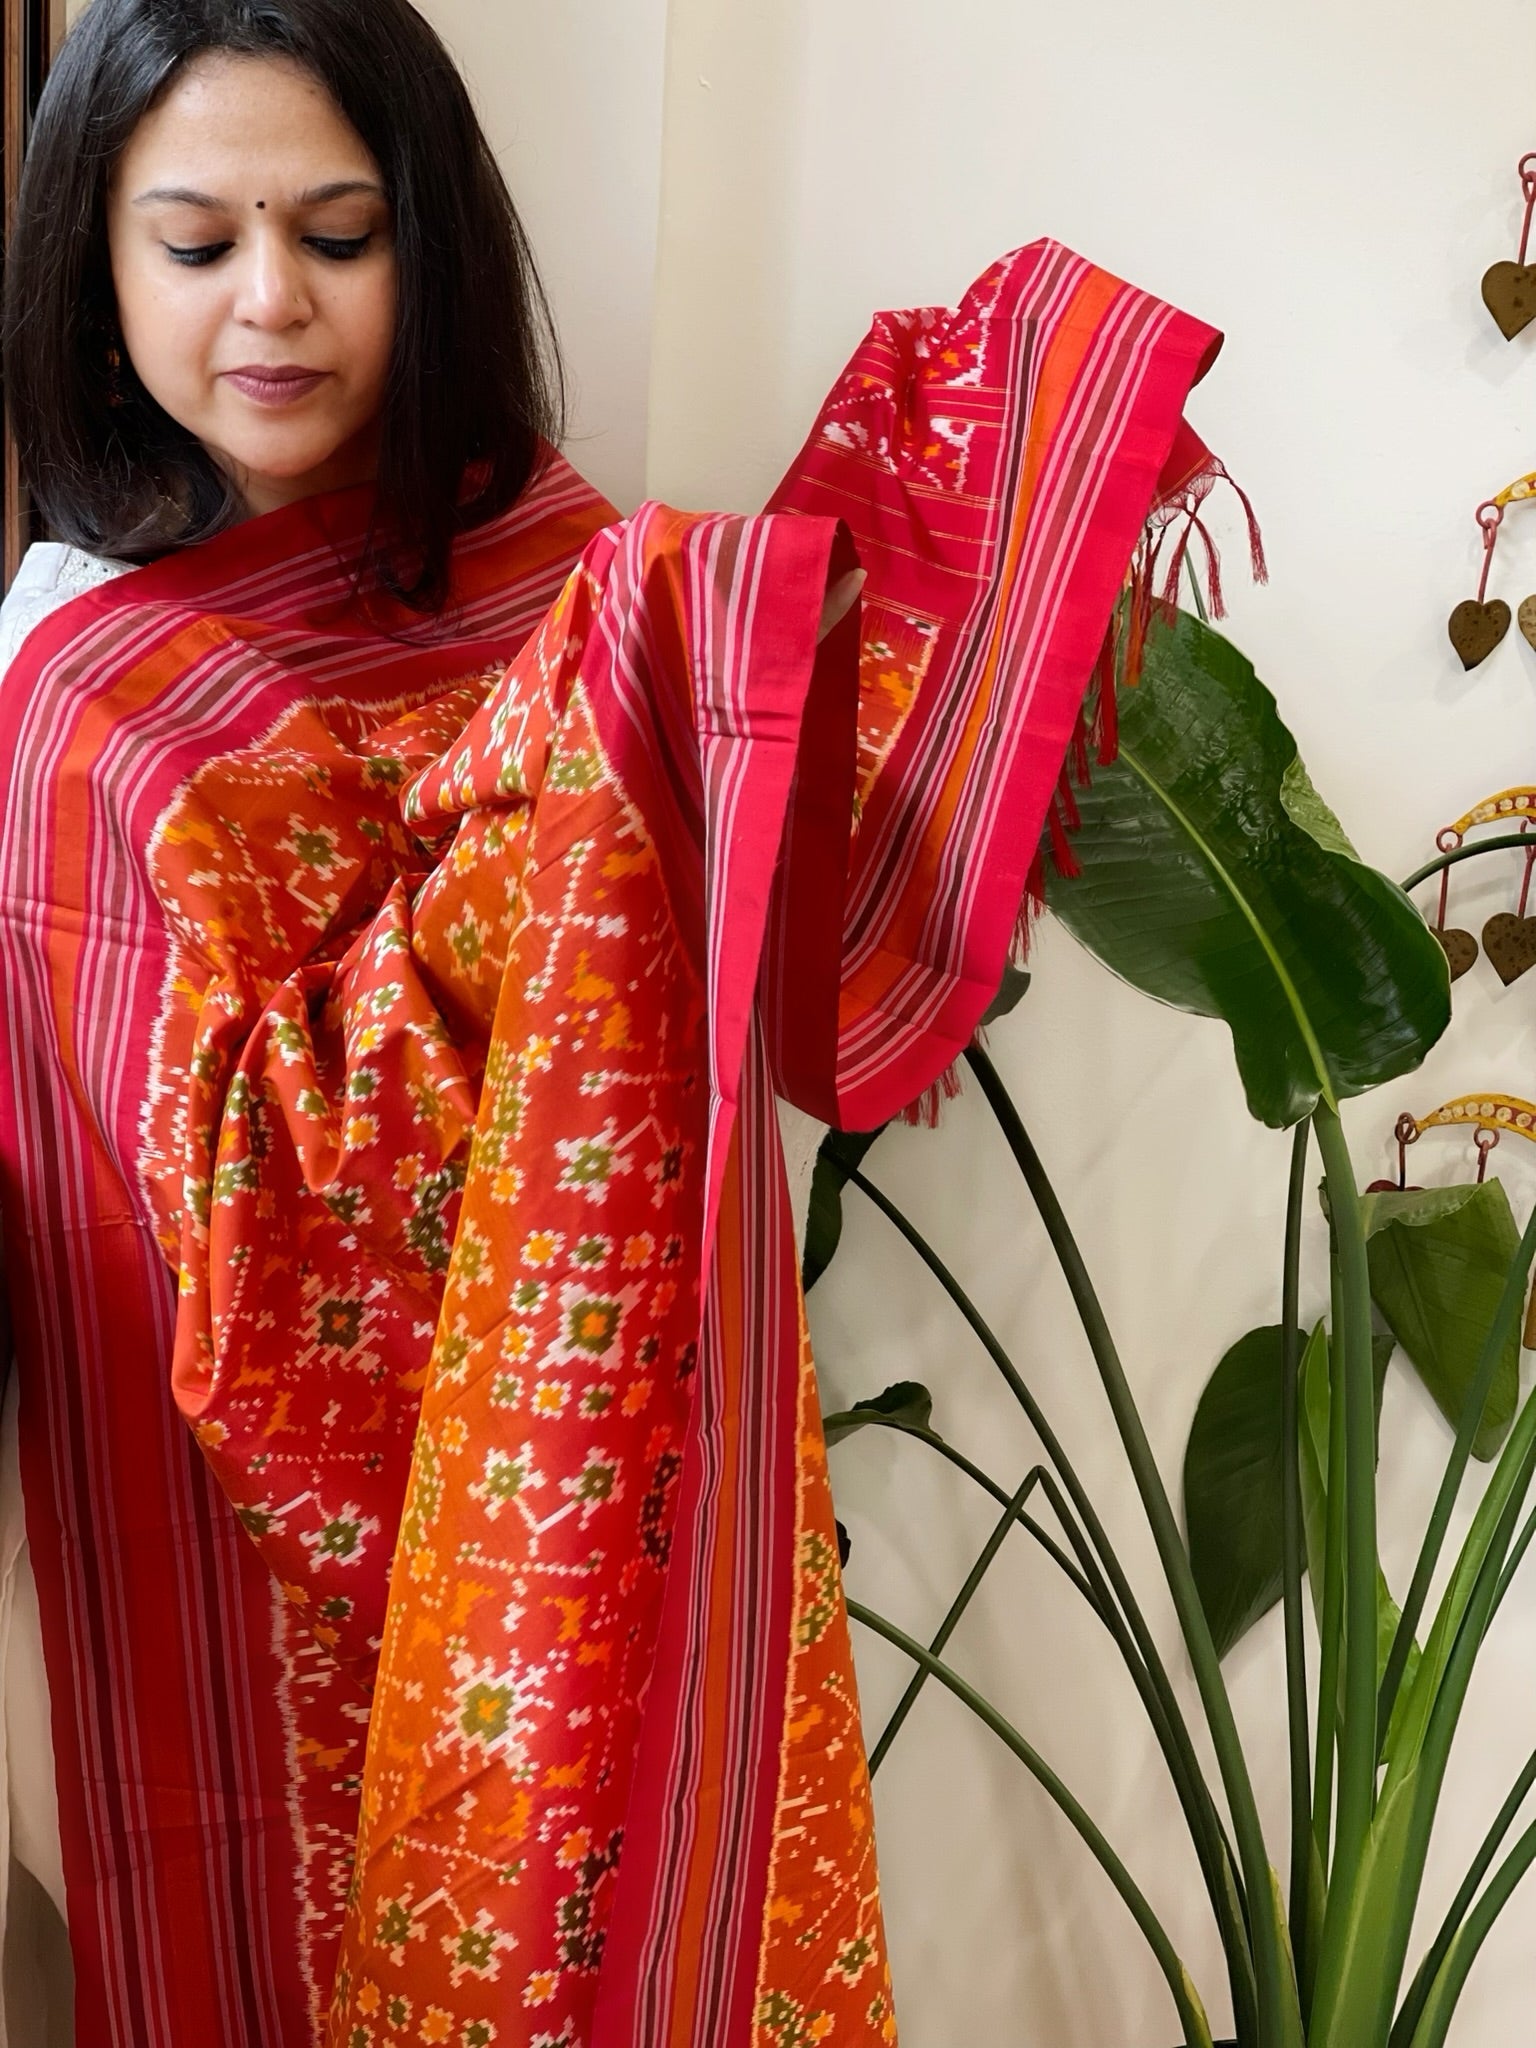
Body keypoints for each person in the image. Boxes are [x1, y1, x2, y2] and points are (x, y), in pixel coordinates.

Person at [0, 2, 1229, 2042]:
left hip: (628, 1471)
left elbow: (731, 869)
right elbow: (230, 1175)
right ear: (90, 260)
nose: (270, 306)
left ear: (439, 244)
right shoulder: (78, 678)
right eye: (195, 242)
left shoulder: (565, 566)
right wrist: (596, 773)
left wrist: (730, 643)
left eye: (340, 231)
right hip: (227, 1582)